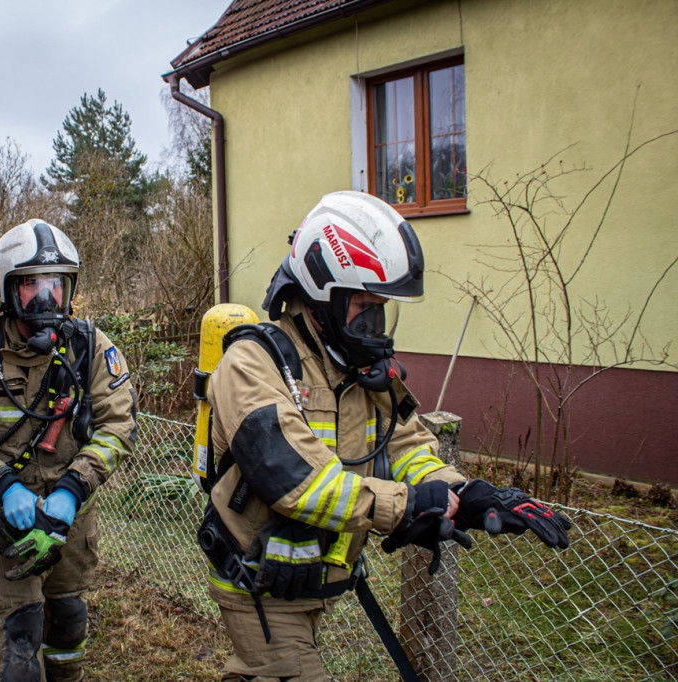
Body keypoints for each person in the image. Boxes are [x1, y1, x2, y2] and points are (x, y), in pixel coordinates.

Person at [200, 191, 571, 681]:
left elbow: (408, 448)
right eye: (363, 306)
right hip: (258, 579)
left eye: (382, 308)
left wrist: (466, 494)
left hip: (312, 574)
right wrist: (407, 505)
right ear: (321, 295)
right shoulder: (253, 365)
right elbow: (295, 482)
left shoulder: (360, 369)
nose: (375, 325)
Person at [0, 219, 138, 681]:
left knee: (67, 623)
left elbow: (118, 425)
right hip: (6, 522)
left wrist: (72, 489)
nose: (46, 299)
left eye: (56, 285)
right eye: (31, 286)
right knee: (20, 641)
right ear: (5, 288)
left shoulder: (90, 348)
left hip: (72, 519)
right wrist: (2, 486)